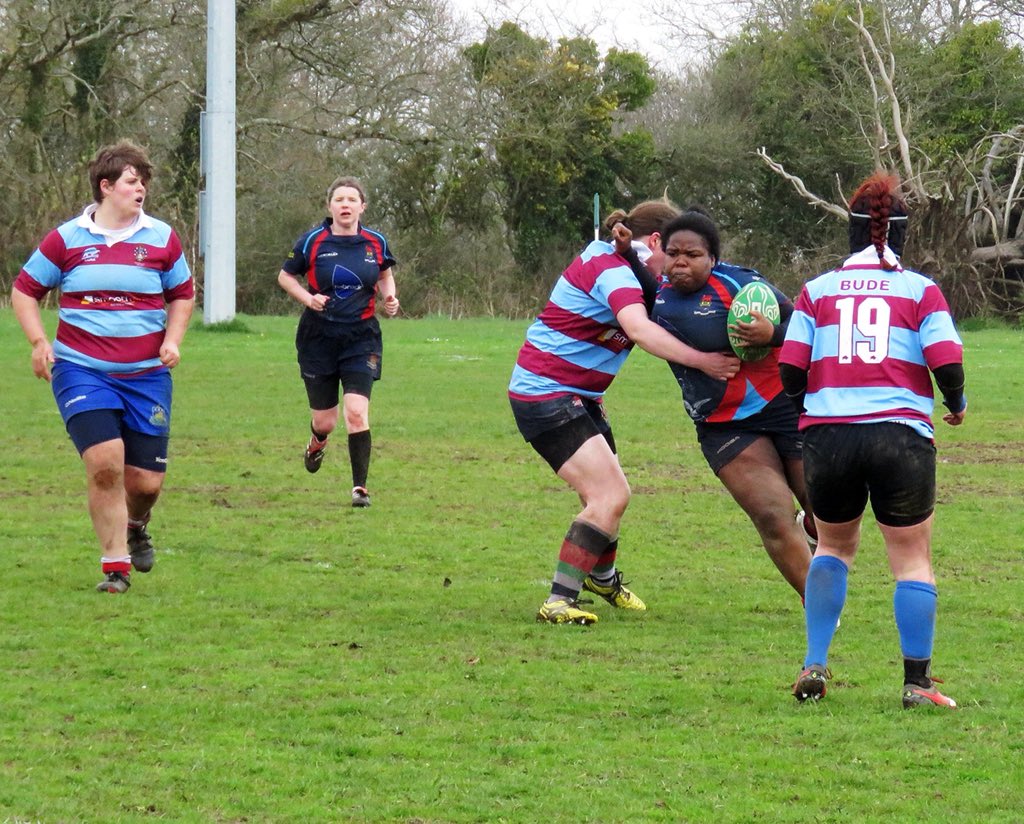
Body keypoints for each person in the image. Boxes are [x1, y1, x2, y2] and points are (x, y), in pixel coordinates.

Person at [780, 171, 967, 709]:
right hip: (900, 436)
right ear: (900, 234)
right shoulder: (920, 290)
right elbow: (947, 360)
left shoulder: (817, 290)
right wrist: (954, 404)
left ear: (852, 232)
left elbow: (792, 369)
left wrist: (813, 413)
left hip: (828, 436)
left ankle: (814, 664)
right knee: (910, 559)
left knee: (834, 547)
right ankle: (917, 682)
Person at [510, 201, 741, 625]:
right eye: (670, 253)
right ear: (654, 241)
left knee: (603, 494)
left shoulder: (628, 265)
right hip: (547, 393)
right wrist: (702, 361)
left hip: (580, 395)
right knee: (610, 495)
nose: (673, 265)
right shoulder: (611, 268)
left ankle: (603, 578)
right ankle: (559, 600)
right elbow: (638, 328)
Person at [11, 140, 195, 594]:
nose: (141, 189)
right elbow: (24, 290)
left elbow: (183, 295)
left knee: (146, 483)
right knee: (105, 463)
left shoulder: (161, 238)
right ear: (106, 186)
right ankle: (116, 567)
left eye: (144, 182)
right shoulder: (68, 238)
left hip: (146, 375)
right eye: (133, 181)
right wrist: (39, 342)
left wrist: (172, 340)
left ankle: (136, 524)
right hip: (81, 369)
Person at [650, 210, 817, 603]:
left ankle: (812, 529)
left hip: (783, 405)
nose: (681, 262)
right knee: (773, 517)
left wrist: (771, 333)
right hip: (723, 423)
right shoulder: (652, 295)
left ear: (713, 258)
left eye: (692, 254)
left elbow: (805, 324)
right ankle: (821, 609)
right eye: (674, 253)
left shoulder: (741, 283)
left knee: (824, 508)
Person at [277, 176, 399, 508]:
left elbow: (385, 273)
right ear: (330, 206)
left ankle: (360, 488)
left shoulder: (376, 242)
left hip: (362, 337)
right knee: (326, 420)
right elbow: (285, 276)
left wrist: (390, 298)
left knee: (357, 412)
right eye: (339, 199)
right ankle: (317, 441)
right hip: (318, 338)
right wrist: (307, 298)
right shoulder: (312, 241)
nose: (345, 205)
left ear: (362, 207)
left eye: (351, 199)